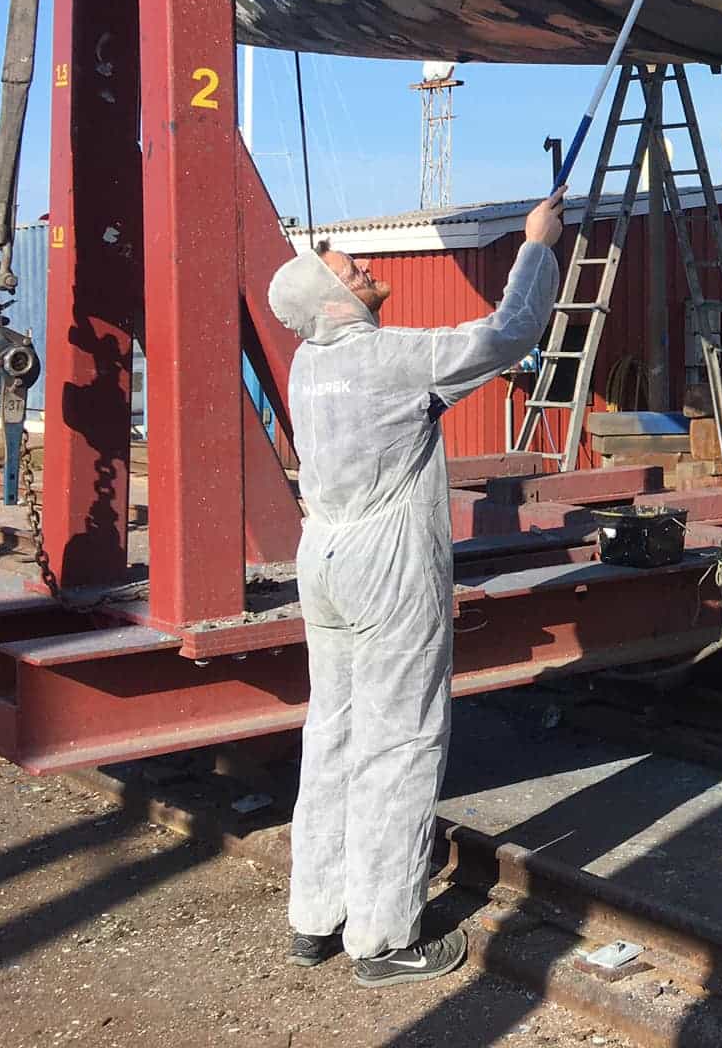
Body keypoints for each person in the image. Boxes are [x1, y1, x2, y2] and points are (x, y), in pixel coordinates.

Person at [265, 191, 564, 987]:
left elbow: (421, 390)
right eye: (350, 270)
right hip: (386, 568)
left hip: (324, 561)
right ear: (332, 300)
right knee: (399, 742)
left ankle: (315, 916)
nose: (366, 268)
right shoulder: (390, 360)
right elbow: (510, 333)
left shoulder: (308, 365)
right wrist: (537, 245)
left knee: (333, 735)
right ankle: (384, 940)